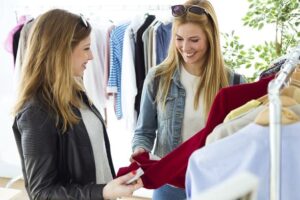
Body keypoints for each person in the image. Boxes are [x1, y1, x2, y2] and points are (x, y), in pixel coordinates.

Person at [12, 9, 142, 200]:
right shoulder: (35, 112)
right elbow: (42, 193)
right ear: (62, 51)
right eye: (86, 48)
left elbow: (91, 159)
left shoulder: (76, 93)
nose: (91, 57)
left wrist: (113, 183)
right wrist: (103, 191)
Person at [131, 0, 246, 199]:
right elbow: (144, 131)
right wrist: (140, 149)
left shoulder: (233, 82)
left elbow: (239, 141)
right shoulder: (158, 78)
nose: (185, 48)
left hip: (213, 183)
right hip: (168, 185)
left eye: (194, 40)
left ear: (210, 38)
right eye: (179, 39)